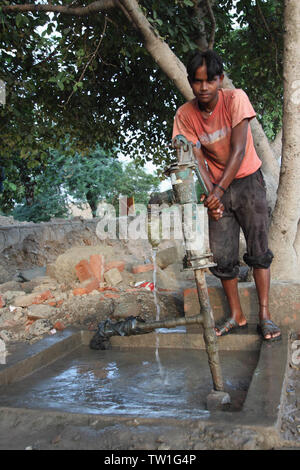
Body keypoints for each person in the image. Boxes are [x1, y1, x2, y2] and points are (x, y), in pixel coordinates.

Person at [172, 49, 281, 341]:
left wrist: (217, 191)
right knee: (223, 257)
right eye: (197, 82)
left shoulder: (236, 99)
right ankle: (237, 315)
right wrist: (212, 197)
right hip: (218, 189)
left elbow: (239, 150)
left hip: (248, 182)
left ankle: (265, 316)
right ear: (190, 82)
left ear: (220, 79)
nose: (204, 87)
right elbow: (196, 159)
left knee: (258, 251)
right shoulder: (185, 115)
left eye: (210, 80)